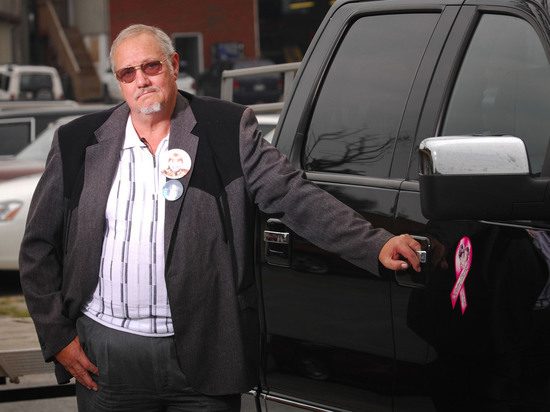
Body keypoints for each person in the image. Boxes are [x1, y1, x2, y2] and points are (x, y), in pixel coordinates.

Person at [19, 24, 421, 411]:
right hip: (107, 356)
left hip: (204, 354)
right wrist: (57, 336)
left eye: (151, 66)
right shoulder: (78, 140)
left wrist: (374, 243)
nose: (141, 80)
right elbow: (38, 246)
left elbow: (293, 194)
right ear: (119, 81)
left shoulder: (227, 129)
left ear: (174, 65)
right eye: (128, 73)